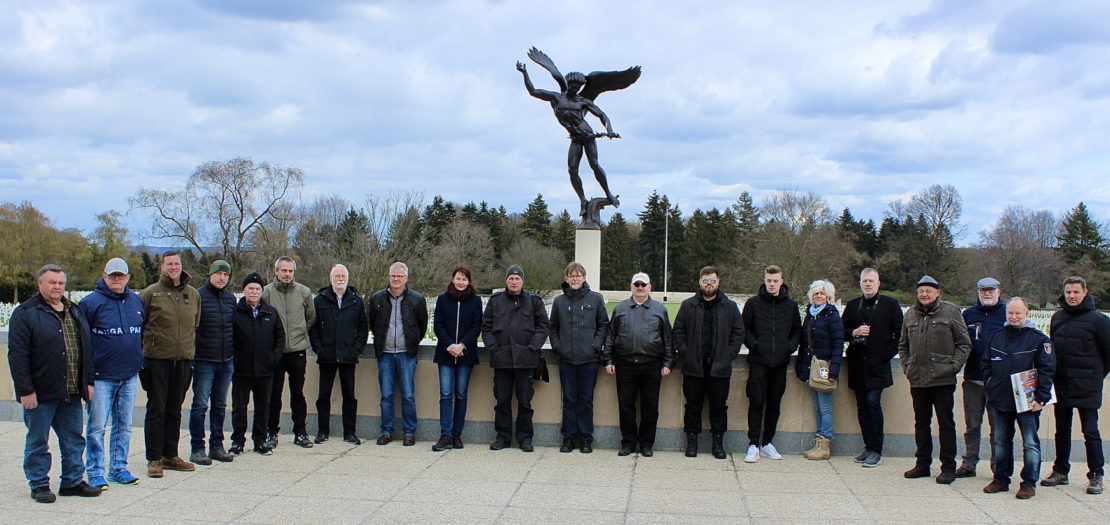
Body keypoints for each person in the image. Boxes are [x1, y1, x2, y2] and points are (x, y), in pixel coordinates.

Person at [9, 264, 101, 502]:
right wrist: (25, 390)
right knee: (38, 440)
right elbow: (17, 355)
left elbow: (87, 349)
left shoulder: (74, 311)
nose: (57, 287)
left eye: (60, 283)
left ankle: (72, 482)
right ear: (40, 284)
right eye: (51, 282)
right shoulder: (26, 313)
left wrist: (87, 382)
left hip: (71, 391)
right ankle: (39, 484)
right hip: (40, 392)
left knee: (73, 439)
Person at [516, 47, 640, 215]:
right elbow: (533, 91)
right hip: (575, 138)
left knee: (594, 165)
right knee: (572, 170)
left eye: (579, 87)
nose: (576, 89)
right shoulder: (556, 97)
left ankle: (608, 193)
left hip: (587, 136)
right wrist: (525, 73)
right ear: (568, 84)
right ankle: (582, 200)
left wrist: (609, 129)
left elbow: (602, 115)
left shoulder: (583, 101)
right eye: (573, 86)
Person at [899, 275, 972, 484]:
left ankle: (948, 467)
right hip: (918, 379)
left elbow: (964, 344)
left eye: (928, 290)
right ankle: (922, 464)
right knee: (921, 423)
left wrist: (953, 367)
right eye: (921, 291)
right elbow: (903, 345)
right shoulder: (911, 314)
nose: (924, 294)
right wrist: (907, 366)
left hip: (942, 380)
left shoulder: (950, 312)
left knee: (946, 424)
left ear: (937, 292)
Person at [79, 258, 145, 489]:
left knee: (124, 426)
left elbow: (141, 333)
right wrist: (86, 377)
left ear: (128, 277)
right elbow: (82, 342)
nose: (117, 279)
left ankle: (118, 468)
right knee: (96, 428)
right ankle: (96, 471)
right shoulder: (90, 303)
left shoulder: (136, 301)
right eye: (113, 275)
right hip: (101, 377)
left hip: (128, 375)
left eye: (121, 275)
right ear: (104, 276)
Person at [1041, 276, 1110, 495]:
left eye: (1076, 292)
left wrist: (1097, 376)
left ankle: (1096, 475)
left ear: (1085, 293)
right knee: (1062, 431)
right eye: (1068, 292)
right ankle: (1061, 471)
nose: (1072, 296)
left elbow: (1108, 354)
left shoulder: (1099, 320)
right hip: (1061, 385)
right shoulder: (1058, 317)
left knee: (1090, 432)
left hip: (1087, 386)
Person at [981, 297, 1055, 500]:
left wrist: (1041, 398)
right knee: (1001, 441)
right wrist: (990, 384)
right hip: (999, 400)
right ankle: (1001, 479)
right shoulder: (996, 337)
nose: (1013, 317)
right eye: (1010, 313)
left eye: (1018, 313)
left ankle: (1029, 483)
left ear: (1026, 314)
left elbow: (1047, 371)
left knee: (1030, 443)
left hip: (1028, 403)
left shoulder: (1039, 340)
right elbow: (985, 364)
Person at [139, 251, 201, 478]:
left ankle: (170, 455)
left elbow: (196, 324)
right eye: (169, 264)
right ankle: (154, 458)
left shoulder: (192, 294)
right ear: (162, 267)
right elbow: (140, 326)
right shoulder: (150, 293)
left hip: (183, 360)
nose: (174, 267)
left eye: (177, 263)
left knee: (175, 409)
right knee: (157, 408)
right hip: (157, 360)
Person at [673, 266, 744, 459]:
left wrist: (728, 354)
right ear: (699, 282)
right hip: (694, 367)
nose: (709, 284)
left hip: (719, 367)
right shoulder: (688, 305)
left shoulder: (729, 306)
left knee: (719, 406)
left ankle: (718, 444)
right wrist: (686, 354)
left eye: (712, 280)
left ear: (718, 282)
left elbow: (738, 333)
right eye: (705, 280)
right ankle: (692, 443)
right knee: (693, 406)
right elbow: (678, 331)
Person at [603, 272, 676, 457]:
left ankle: (646, 444)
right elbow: (610, 337)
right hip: (625, 364)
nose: (640, 288)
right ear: (631, 287)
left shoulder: (660, 310)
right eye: (637, 284)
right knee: (625, 405)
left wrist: (668, 362)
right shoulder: (620, 309)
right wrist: (608, 359)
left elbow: (668, 339)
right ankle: (628, 443)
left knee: (650, 407)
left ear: (650, 287)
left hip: (651, 364)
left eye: (644, 285)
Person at [483, 264, 551, 452]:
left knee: (525, 401)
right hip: (502, 359)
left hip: (525, 359)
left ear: (523, 281)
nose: (514, 282)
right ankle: (502, 437)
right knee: (502, 400)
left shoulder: (534, 301)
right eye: (511, 278)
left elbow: (543, 325)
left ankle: (525, 438)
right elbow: (486, 327)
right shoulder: (495, 301)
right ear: (506, 281)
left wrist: (532, 347)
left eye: (517, 279)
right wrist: (494, 348)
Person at [842, 268, 903, 468]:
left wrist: (885, 356)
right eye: (864, 281)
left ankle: (877, 450)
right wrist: (854, 331)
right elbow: (841, 332)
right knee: (861, 406)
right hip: (857, 364)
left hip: (878, 365)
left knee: (872, 403)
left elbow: (899, 336)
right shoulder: (852, 306)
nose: (867, 284)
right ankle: (868, 447)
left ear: (878, 283)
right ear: (860, 283)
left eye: (871, 281)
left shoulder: (890, 305)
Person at [741, 265, 801, 463]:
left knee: (774, 404)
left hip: (780, 363)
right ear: (764, 280)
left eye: (775, 280)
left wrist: (788, 348)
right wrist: (756, 345)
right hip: (759, 362)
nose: (772, 284)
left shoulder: (791, 306)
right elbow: (744, 330)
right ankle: (753, 444)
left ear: (781, 281)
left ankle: (767, 443)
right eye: (769, 280)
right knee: (756, 402)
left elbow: (796, 331)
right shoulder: (753, 304)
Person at [549, 262, 609, 454]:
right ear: (566, 278)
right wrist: (558, 347)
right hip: (566, 359)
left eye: (579, 275)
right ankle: (568, 438)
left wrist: (595, 346)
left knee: (585, 400)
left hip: (589, 359)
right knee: (568, 399)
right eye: (571, 275)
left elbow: (603, 325)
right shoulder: (559, 302)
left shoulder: (596, 299)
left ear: (584, 278)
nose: (575, 278)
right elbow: (553, 328)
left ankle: (585, 438)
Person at [369, 262, 429, 447]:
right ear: (389, 277)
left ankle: (409, 432)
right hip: (385, 353)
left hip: (406, 354)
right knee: (386, 395)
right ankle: (386, 431)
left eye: (399, 276)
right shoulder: (377, 299)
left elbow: (422, 325)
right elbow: (372, 322)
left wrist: (412, 343)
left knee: (408, 395)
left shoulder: (417, 300)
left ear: (406, 278)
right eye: (393, 276)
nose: (395, 279)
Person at [309, 264, 369, 445]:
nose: (340, 279)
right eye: (337, 276)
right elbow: (313, 328)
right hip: (327, 356)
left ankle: (350, 432)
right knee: (323, 396)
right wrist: (320, 348)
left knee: (349, 396)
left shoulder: (356, 301)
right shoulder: (320, 301)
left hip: (348, 357)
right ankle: (322, 431)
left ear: (348, 278)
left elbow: (363, 328)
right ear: (331, 278)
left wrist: (356, 349)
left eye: (343, 276)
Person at [262, 256, 316, 449]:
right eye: (283, 271)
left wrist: (300, 334)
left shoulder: (304, 292)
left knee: (297, 394)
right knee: (274, 394)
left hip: (297, 351)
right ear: (276, 271)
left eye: (290, 271)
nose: (287, 274)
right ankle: (272, 433)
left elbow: (311, 317)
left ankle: (300, 432)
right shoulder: (266, 293)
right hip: (275, 352)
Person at [230, 273, 285, 455]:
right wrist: (235, 359)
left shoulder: (271, 312)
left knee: (263, 408)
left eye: (257, 289)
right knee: (239, 409)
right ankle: (238, 441)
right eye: (250, 288)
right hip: (241, 370)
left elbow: (279, 338)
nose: (254, 292)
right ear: (244, 290)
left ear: (262, 292)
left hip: (265, 370)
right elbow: (230, 339)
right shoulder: (235, 313)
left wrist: (273, 358)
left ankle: (260, 441)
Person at [956, 277, 1006, 479]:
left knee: (998, 428)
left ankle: (998, 466)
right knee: (972, 425)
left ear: (998, 292)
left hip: (998, 382)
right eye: (983, 290)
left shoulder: (1006, 314)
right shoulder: (968, 315)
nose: (987, 294)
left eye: (991, 290)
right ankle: (969, 463)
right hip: (973, 378)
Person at [188, 259, 237, 466]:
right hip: (204, 360)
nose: (222, 278)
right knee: (200, 405)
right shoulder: (198, 296)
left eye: (225, 275)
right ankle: (197, 448)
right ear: (210, 275)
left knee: (220, 406)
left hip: (226, 361)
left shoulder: (230, 299)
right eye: (218, 274)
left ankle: (217, 445)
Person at [431, 265, 483, 451]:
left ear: (469, 281)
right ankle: (445, 435)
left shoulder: (476, 301)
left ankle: (457, 434)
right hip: (445, 355)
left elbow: (476, 327)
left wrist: (462, 345)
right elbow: (438, 325)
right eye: (458, 278)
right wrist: (450, 346)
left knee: (461, 395)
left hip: (465, 355)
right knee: (446, 395)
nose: (461, 282)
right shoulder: (442, 300)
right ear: (452, 279)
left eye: (464, 279)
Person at [796, 280, 843, 461]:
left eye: (822, 293)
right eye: (816, 293)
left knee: (825, 408)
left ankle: (825, 444)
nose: (819, 296)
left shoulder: (832, 315)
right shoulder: (810, 315)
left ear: (828, 296)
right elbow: (804, 344)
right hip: (811, 367)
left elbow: (838, 345)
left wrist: (834, 372)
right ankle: (819, 442)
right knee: (817, 407)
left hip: (825, 368)